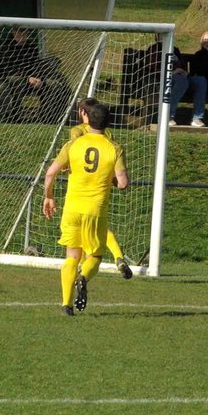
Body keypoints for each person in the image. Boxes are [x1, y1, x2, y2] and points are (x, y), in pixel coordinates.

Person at [43, 101, 129, 315]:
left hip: (72, 208)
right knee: (95, 257)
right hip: (95, 210)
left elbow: (50, 173)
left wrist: (49, 197)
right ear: (108, 123)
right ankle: (83, 277)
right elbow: (123, 183)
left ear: (87, 119)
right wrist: (109, 180)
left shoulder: (73, 144)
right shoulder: (114, 148)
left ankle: (66, 305)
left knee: (71, 256)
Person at [70, 98, 132, 278]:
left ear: (83, 113)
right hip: (101, 190)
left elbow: (75, 152)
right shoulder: (108, 135)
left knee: (81, 237)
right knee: (100, 229)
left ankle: (81, 272)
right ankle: (118, 257)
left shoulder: (77, 131)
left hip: (79, 190)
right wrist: (114, 179)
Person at [0, 27, 70, 123]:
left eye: (25, 32)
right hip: (12, 78)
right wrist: (27, 78)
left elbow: (35, 65)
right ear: (14, 33)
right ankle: (14, 115)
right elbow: (8, 68)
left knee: (52, 84)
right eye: (20, 32)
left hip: (31, 78)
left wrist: (39, 79)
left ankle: (47, 116)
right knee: (19, 82)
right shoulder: (6, 47)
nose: (22, 34)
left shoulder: (31, 47)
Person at [142, 33, 207, 127]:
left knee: (201, 81)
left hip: (181, 78)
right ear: (157, 38)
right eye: (162, 35)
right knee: (181, 81)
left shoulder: (175, 50)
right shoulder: (154, 49)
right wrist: (171, 73)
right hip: (162, 79)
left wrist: (184, 72)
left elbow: (182, 65)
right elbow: (152, 68)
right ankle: (168, 116)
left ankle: (197, 118)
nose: (165, 37)